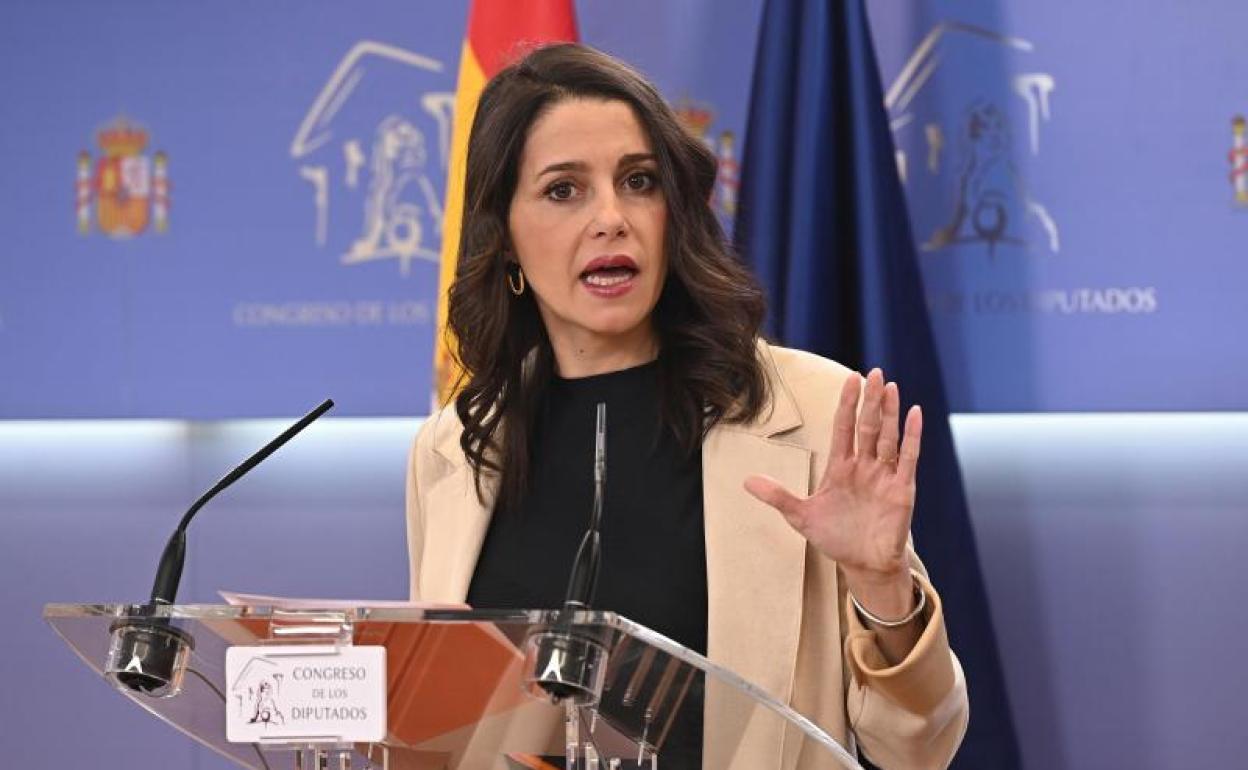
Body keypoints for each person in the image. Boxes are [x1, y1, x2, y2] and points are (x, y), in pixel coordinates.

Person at [406, 42, 968, 769]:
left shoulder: (814, 410)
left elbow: (920, 747)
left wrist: (881, 587)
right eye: (563, 190)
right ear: (505, 236)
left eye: (638, 181)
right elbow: (444, 736)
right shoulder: (453, 447)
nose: (611, 218)